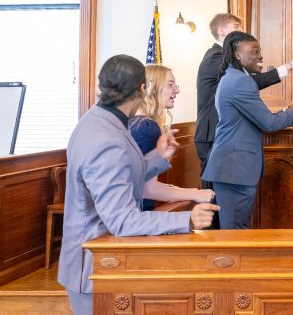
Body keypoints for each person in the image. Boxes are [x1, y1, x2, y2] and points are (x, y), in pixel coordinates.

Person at [59, 55, 218, 314]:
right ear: (143, 89)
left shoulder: (98, 120)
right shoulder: (105, 138)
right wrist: (186, 220)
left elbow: (121, 174)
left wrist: (157, 158)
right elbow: (122, 220)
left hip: (102, 261)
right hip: (94, 266)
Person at [202, 31, 293, 229]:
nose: (260, 56)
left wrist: (290, 110)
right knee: (235, 231)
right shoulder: (240, 81)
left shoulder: (235, 78)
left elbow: (257, 117)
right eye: (254, 52)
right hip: (234, 168)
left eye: (259, 51)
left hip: (232, 168)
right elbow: (268, 123)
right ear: (237, 55)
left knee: (236, 228)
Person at [195, 13, 293, 176]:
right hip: (212, 133)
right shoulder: (216, 57)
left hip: (222, 135)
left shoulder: (232, 68)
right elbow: (249, 82)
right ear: (222, 31)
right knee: (212, 195)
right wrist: (290, 66)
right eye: (236, 27)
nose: (242, 31)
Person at [129, 64, 215, 209]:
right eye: (170, 85)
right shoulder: (147, 127)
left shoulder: (132, 121)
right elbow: (148, 189)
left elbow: (143, 180)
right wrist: (195, 195)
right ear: (153, 88)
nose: (177, 90)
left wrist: (191, 191)